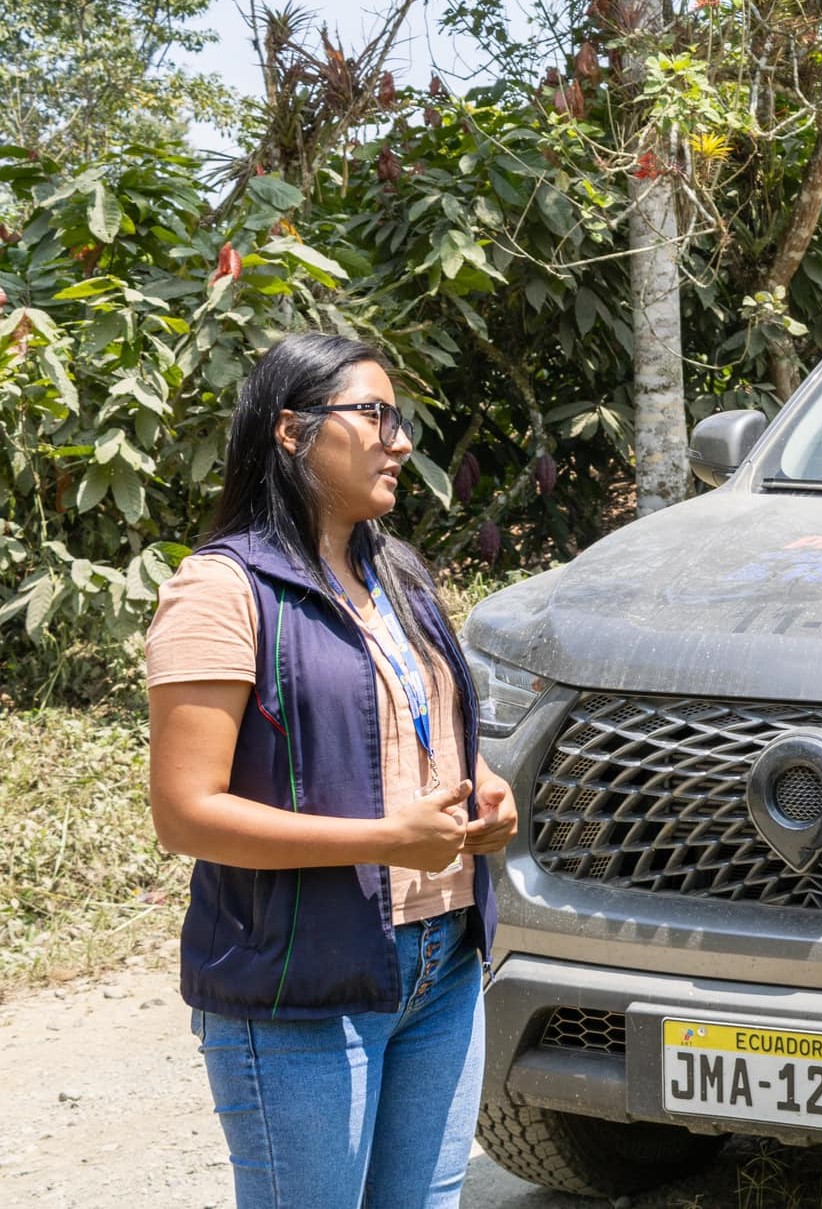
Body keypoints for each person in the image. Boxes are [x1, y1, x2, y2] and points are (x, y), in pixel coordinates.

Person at [144, 333, 518, 1209]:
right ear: (291, 431)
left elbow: (412, 720)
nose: (401, 441)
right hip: (302, 985)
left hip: (442, 962)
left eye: (400, 419)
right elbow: (185, 812)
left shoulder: (397, 573)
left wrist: (482, 781)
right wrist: (383, 839)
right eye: (375, 415)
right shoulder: (221, 590)